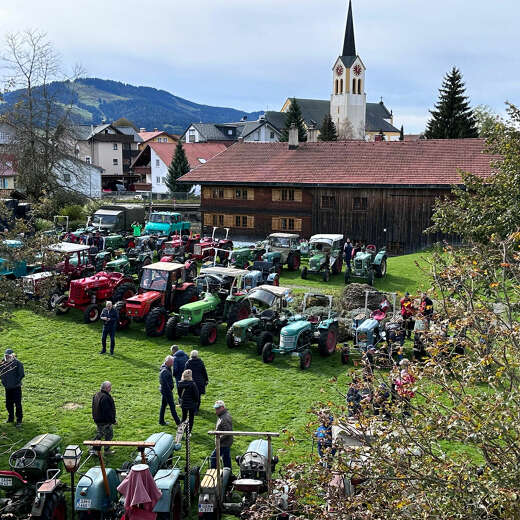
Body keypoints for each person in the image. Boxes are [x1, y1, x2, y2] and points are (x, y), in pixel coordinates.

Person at [0, 349, 25, 427]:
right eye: (6, 356)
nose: (7, 357)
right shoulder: (2, 363)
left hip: (16, 388)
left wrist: (15, 382)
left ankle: (19, 420)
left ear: (13, 356)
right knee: (8, 404)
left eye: (9, 356)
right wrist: (4, 382)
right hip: (7, 388)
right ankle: (10, 418)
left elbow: (21, 374)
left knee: (18, 404)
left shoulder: (18, 364)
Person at [92, 381, 116, 454]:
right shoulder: (105, 397)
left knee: (104, 434)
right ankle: (95, 449)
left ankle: (98, 449)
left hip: (98, 419)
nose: (111, 388)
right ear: (106, 388)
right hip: (104, 421)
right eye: (110, 387)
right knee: (105, 434)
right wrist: (113, 421)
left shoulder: (97, 394)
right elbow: (107, 411)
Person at [210, 400, 233, 469]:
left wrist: (218, 439)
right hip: (225, 442)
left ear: (222, 407)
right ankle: (228, 473)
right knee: (226, 458)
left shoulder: (224, 418)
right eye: (215, 408)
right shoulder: (222, 415)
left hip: (223, 443)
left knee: (214, 458)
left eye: (217, 409)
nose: (216, 411)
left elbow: (228, 432)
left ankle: (214, 474)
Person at [159, 356, 181, 426]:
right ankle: (178, 422)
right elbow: (163, 383)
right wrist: (169, 391)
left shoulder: (167, 367)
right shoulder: (164, 371)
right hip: (167, 392)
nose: (173, 363)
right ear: (168, 362)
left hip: (165, 391)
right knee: (172, 407)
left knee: (163, 405)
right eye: (172, 362)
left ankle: (161, 421)